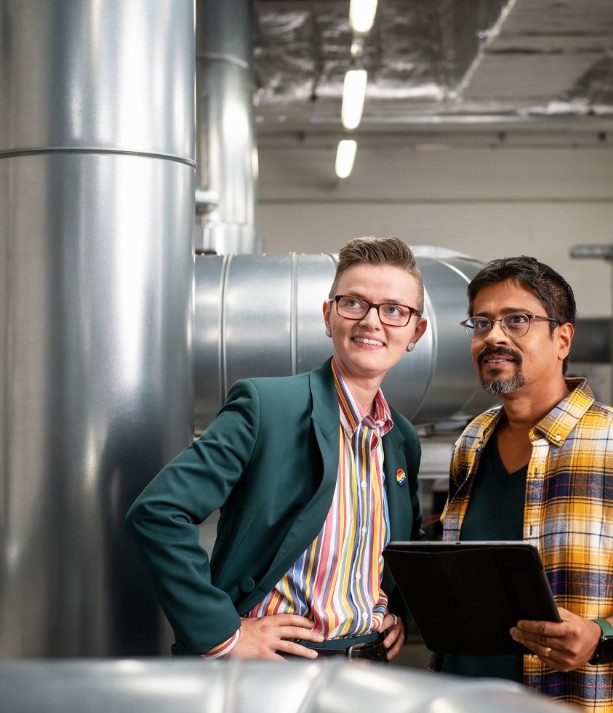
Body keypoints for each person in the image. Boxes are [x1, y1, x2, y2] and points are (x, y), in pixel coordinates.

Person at [435, 255, 613, 713]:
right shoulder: (471, 442)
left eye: (516, 320)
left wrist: (600, 635)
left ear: (562, 338)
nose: (494, 336)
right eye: (481, 323)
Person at [125, 236, 428, 662]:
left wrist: (392, 611)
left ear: (416, 331)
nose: (372, 322)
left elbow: (396, 552)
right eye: (354, 303)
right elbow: (157, 512)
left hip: (369, 667)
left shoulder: (400, 439)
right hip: (275, 668)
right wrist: (222, 633)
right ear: (329, 315)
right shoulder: (267, 407)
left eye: (394, 310)